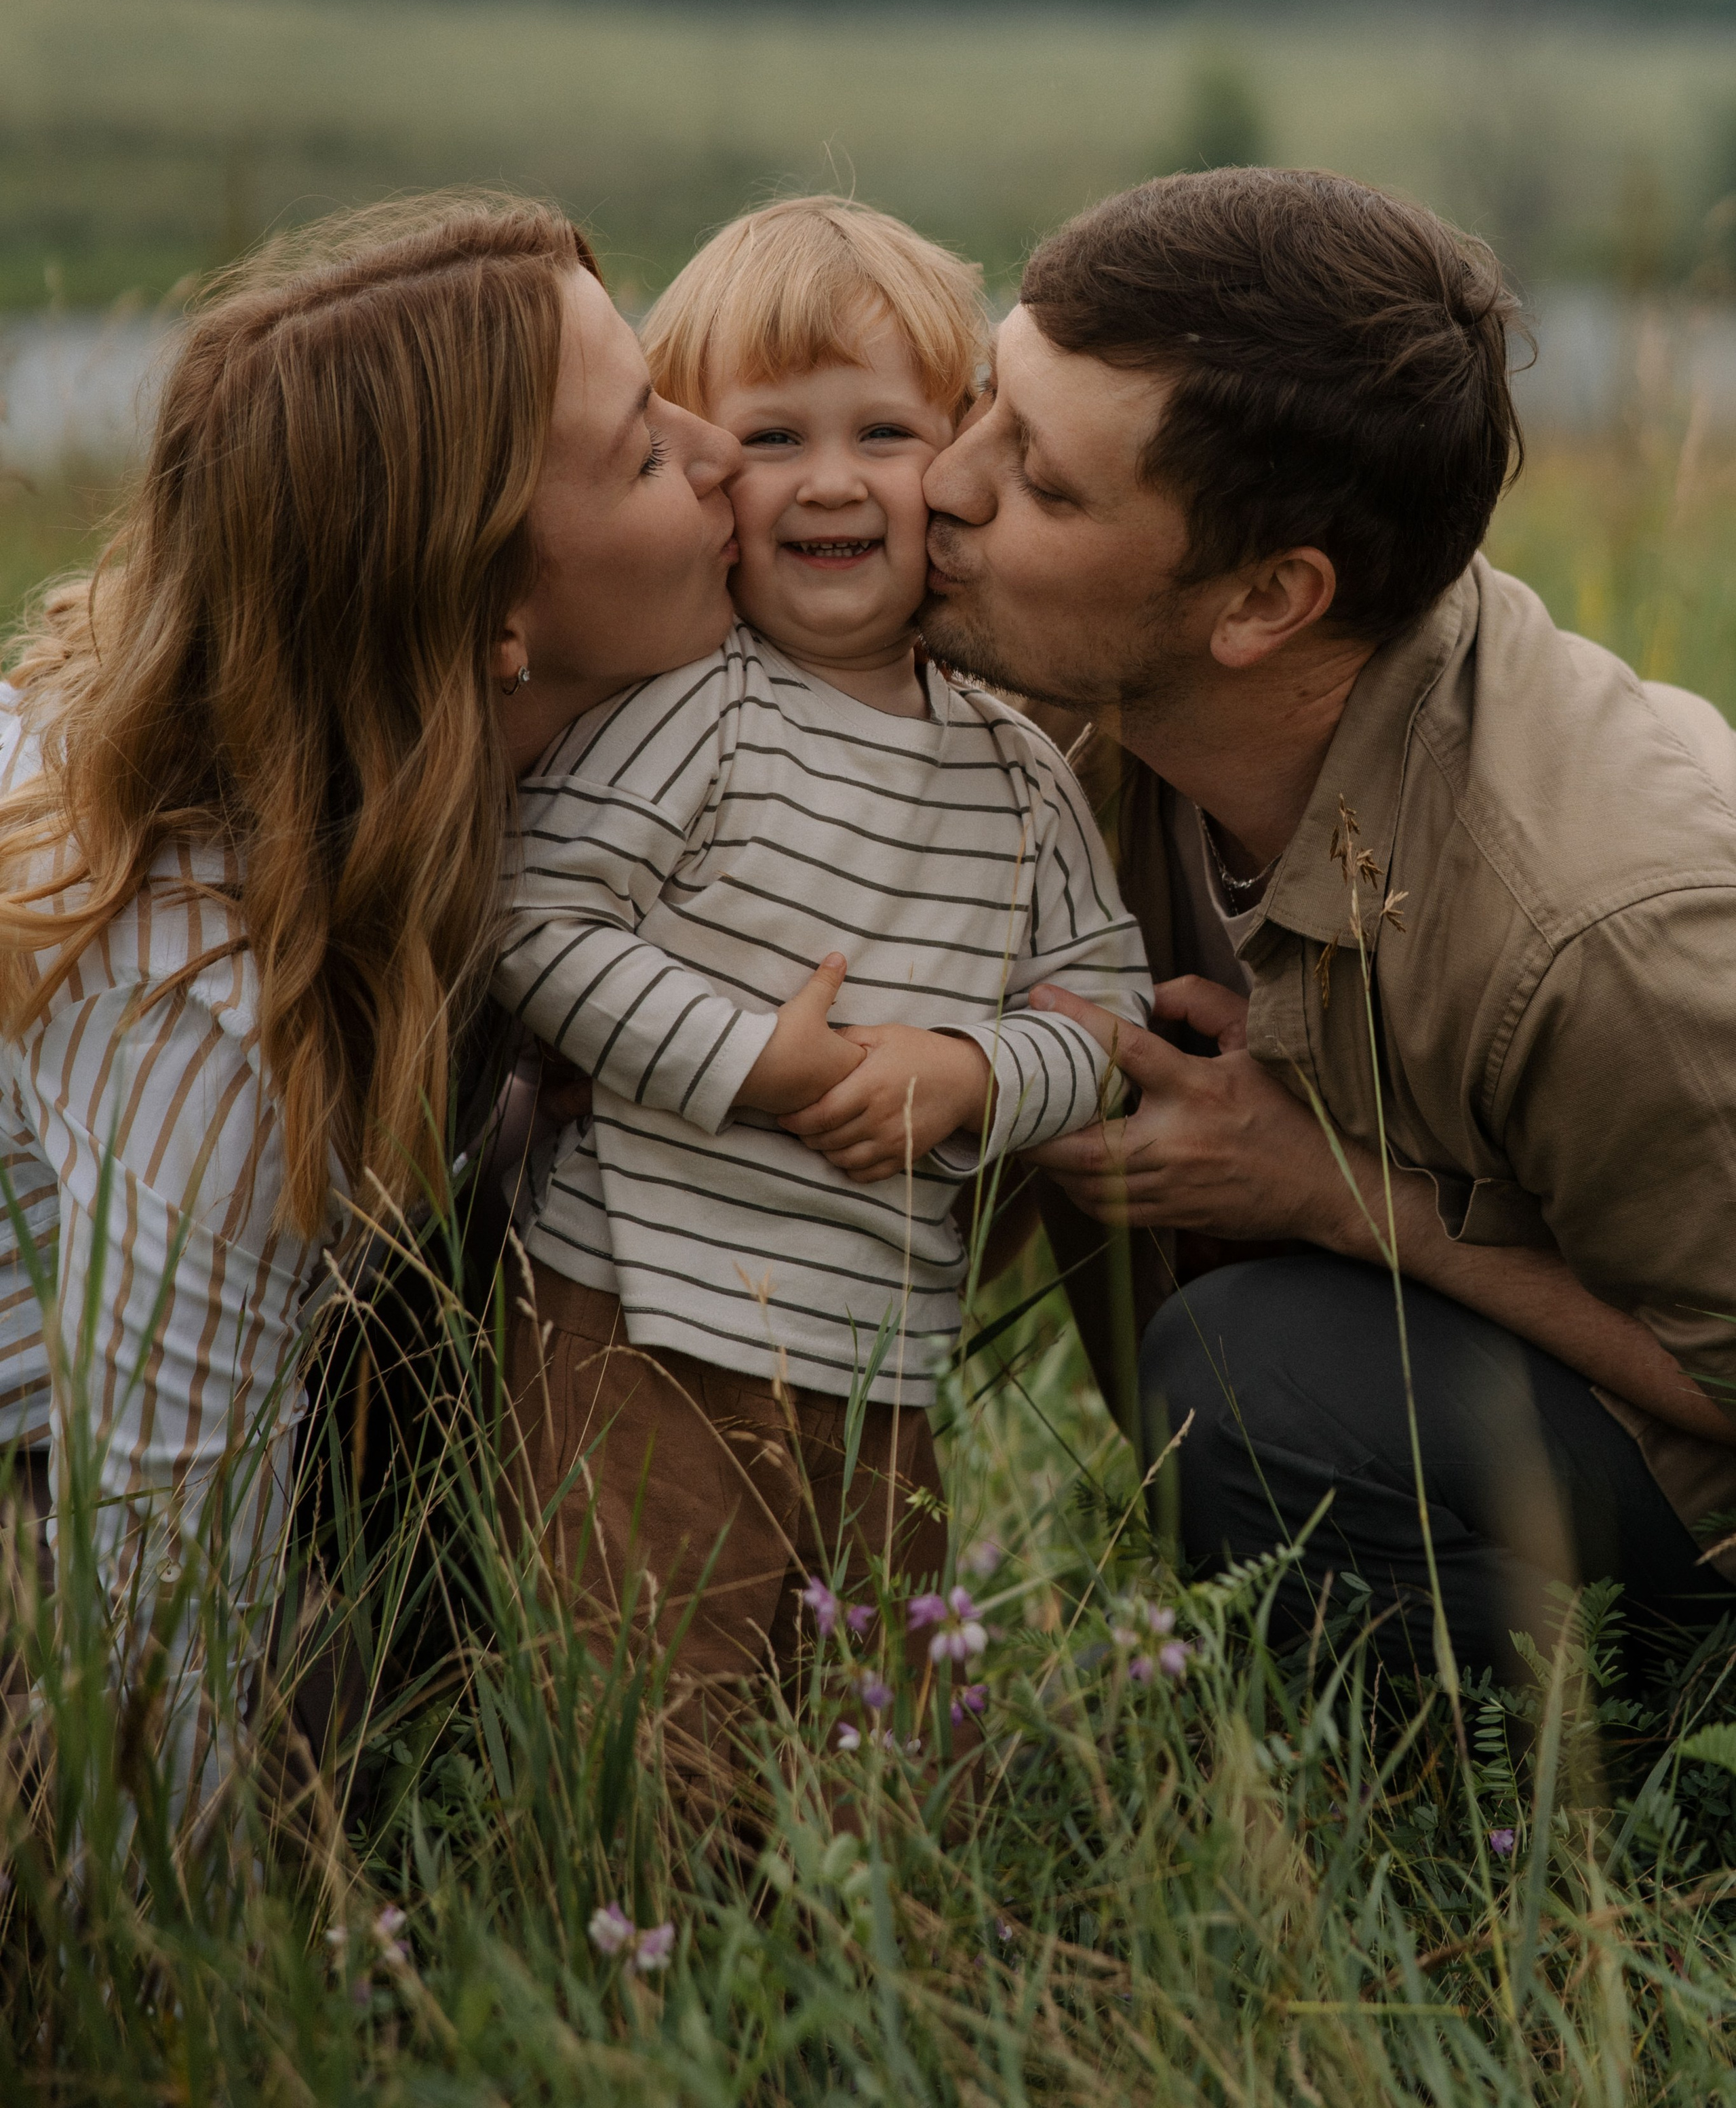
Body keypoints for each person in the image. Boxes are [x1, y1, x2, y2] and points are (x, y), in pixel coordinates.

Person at [918, 164, 1736, 1684]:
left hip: (1691, 1551)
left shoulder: (1610, 928)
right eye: (980, 401)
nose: (941, 485)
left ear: (1265, 603)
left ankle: (1558, 1803)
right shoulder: (1079, 699)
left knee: (1259, 1387)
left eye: (1038, 479)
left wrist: (1340, 1198)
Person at [0, 193, 741, 1806]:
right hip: (52, 1505)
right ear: (485, 619)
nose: (724, 451)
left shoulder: (404, 769)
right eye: (639, 455)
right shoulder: (204, 1007)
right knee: (329, 1751)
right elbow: (152, 1631)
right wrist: (210, 2010)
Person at [494, 197, 1149, 1774]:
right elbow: (538, 922)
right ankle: (630, 1961)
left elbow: (1106, 1016)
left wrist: (975, 1078)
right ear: (706, 477)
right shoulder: (691, 712)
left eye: (884, 431)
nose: (834, 480)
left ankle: (855, 1964)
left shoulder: (1014, 765)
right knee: (654, 1696)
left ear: (962, 458)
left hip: (880, 1353)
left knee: (865, 1713)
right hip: (634, 1317)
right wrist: (755, 1064)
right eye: (771, 438)